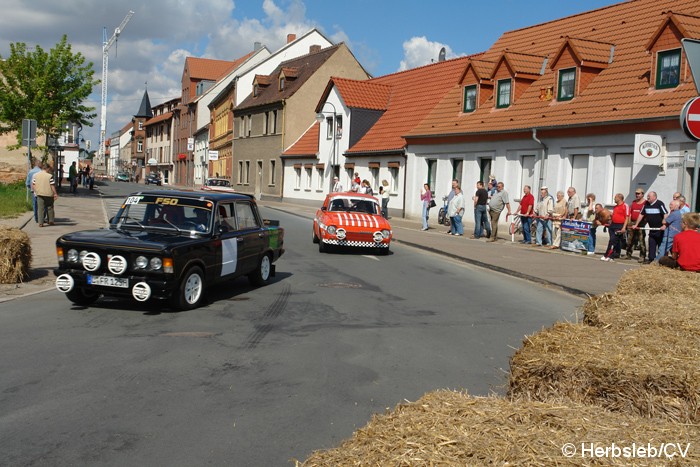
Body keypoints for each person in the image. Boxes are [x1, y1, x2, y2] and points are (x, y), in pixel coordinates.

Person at [633, 191, 667, 263]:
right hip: (652, 229)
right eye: (647, 196)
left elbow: (665, 214)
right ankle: (651, 259)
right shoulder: (646, 204)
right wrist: (636, 224)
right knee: (651, 244)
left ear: (654, 197)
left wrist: (664, 225)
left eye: (649, 196)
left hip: (660, 229)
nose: (648, 197)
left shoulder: (659, 204)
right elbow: (641, 214)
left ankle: (661, 260)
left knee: (661, 246)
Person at [601, 193, 629, 262]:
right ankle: (609, 254)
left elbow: (627, 217)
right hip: (613, 225)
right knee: (612, 240)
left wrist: (624, 228)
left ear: (619, 198)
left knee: (613, 241)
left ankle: (610, 255)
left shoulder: (625, 206)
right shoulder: (615, 207)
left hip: (620, 225)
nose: (614, 199)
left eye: (615, 197)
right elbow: (614, 215)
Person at [626, 188, 647, 262]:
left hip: (641, 224)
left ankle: (642, 256)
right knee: (630, 239)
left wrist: (643, 222)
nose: (637, 195)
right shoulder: (634, 202)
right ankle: (628, 254)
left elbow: (646, 214)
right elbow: (630, 212)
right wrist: (629, 222)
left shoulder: (645, 203)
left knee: (641, 240)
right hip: (632, 223)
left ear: (642, 194)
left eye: (638, 193)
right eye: (636, 193)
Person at [26, 158, 42, 223]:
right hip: (41, 190)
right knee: (41, 205)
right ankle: (41, 217)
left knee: (34, 204)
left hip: (33, 190)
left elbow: (27, 183)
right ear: (39, 164)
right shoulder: (41, 172)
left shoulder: (30, 171)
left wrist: (31, 188)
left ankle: (36, 218)